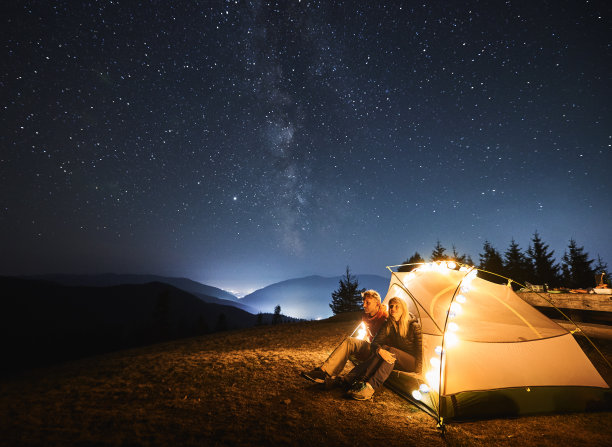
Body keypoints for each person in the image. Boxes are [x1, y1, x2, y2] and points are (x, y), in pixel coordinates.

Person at [301, 289, 388, 384]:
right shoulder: (365, 315)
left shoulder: (384, 317)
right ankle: (324, 371)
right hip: (370, 346)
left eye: (368, 303)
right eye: (363, 302)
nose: (364, 305)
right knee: (349, 341)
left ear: (377, 304)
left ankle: (326, 373)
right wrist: (359, 345)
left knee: (352, 342)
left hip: (379, 351)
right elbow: (367, 334)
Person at [346, 296, 422, 401]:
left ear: (403, 309)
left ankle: (370, 386)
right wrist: (380, 350)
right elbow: (375, 342)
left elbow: (419, 351)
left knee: (391, 351)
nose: (393, 309)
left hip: (410, 362)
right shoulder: (389, 324)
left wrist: (418, 370)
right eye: (391, 306)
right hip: (394, 359)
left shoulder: (414, 326)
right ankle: (361, 382)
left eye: (397, 306)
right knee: (385, 348)